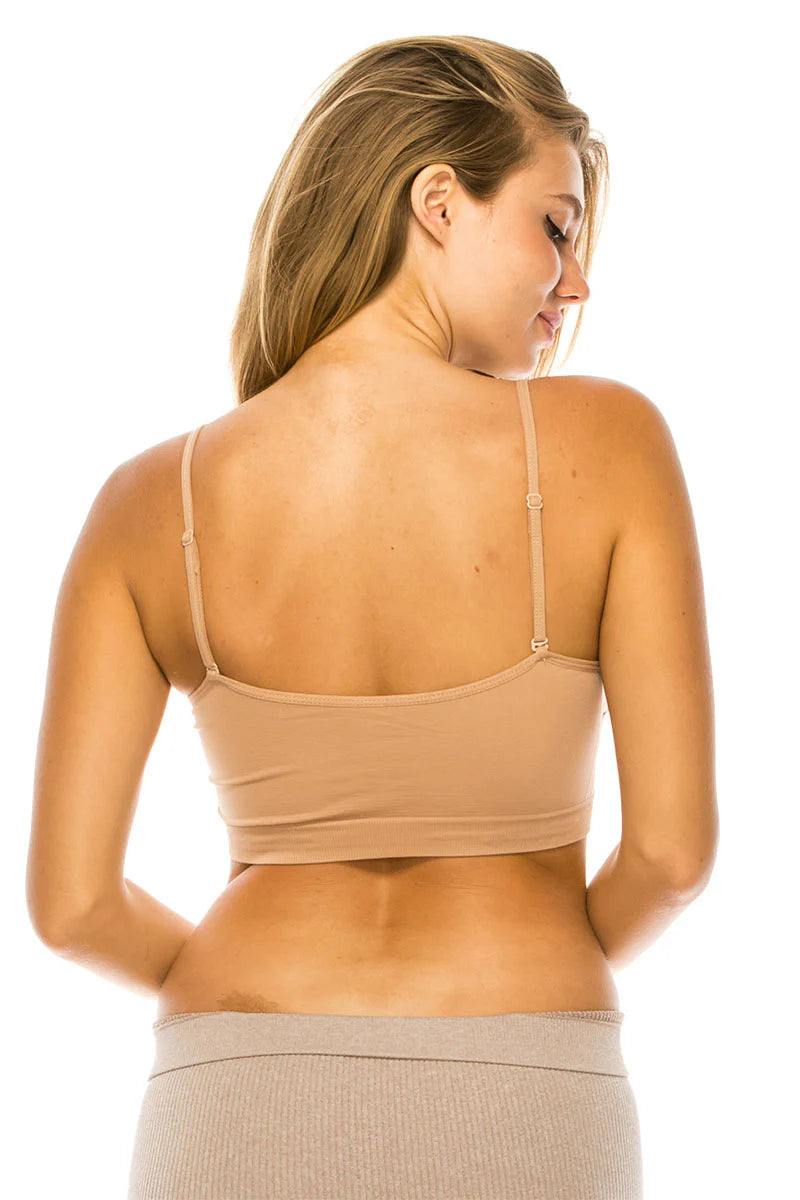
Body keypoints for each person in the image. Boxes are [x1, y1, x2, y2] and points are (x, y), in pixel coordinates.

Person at [27, 34, 718, 1200]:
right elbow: (671, 855)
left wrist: (235, 979)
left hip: (230, 1093)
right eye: (555, 225)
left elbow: (71, 906)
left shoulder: (151, 502)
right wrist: (535, 949)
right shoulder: (611, 445)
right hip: (526, 1086)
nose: (578, 281)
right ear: (437, 202)